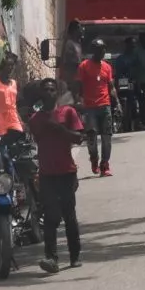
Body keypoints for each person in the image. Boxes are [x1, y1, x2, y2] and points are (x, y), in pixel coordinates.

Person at [29, 80, 87, 271]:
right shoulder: (35, 120)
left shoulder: (68, 113)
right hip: (47, 174)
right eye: (45, 90)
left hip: (67, 172)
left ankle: (74, 256)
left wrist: (60, 129)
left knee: (69, 216)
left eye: (52, 90)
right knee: (51, 217)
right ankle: (51, 258)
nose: (49, 92)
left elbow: (79, 138)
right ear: (41, 94)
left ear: (57, 92)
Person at [76, 39, 118, 174]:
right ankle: (94, 159)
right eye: (100, 50)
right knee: (91, 137)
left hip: (105, 105)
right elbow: (78, 86)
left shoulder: (107, 67)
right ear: (93, 51)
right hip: (90, 108)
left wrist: (117, 103)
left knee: (107, 137)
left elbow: (111, 87)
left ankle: (105, 164)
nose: (103, 52)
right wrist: (78, 102)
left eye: (104, 49)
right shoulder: (84, 66)